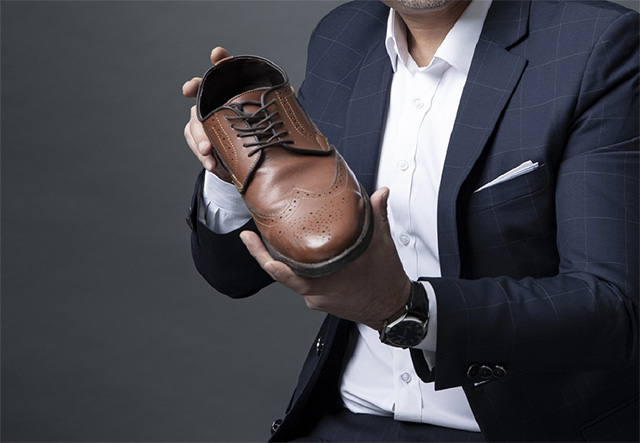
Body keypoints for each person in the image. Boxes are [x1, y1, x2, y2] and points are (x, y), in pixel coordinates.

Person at [182, 0, 639, 441]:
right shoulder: (343, 35)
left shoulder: (595, 44)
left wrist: (404, 308)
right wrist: (229, 175)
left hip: (519, 427)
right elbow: (233, 276)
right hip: (349, 420)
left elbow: (613, 307)